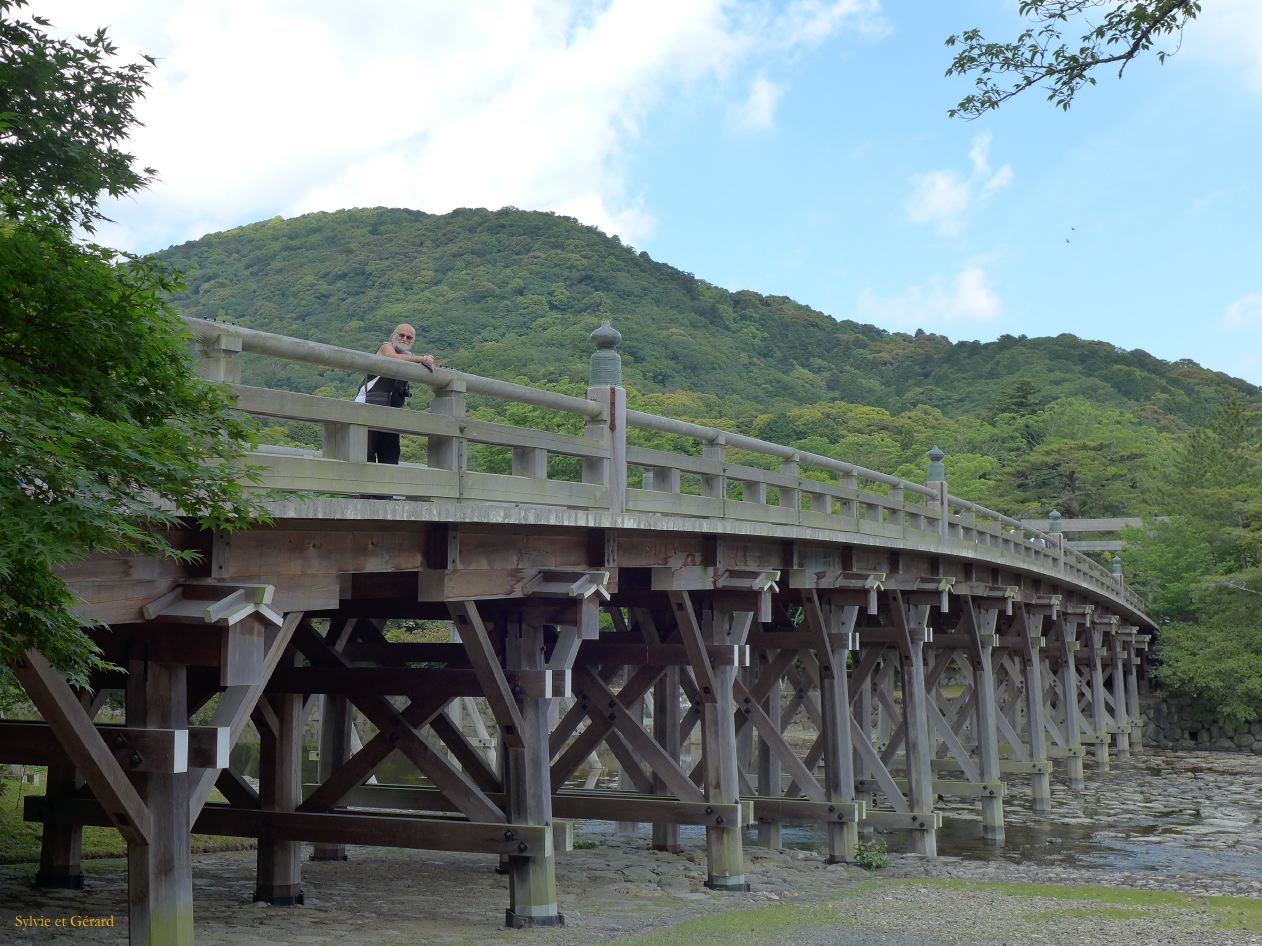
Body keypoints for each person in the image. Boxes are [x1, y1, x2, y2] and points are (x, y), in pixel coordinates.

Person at [355, 324, 436, 463]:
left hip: (391, 414)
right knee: (365, 455)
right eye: (401, 335)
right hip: (368, 407)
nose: (404, 339)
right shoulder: (385, 347)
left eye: (409, 337)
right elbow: (391, 357)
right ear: (394, 335)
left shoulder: (410, 357)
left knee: (390, 457)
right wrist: (422, 359)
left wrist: (429, 359)